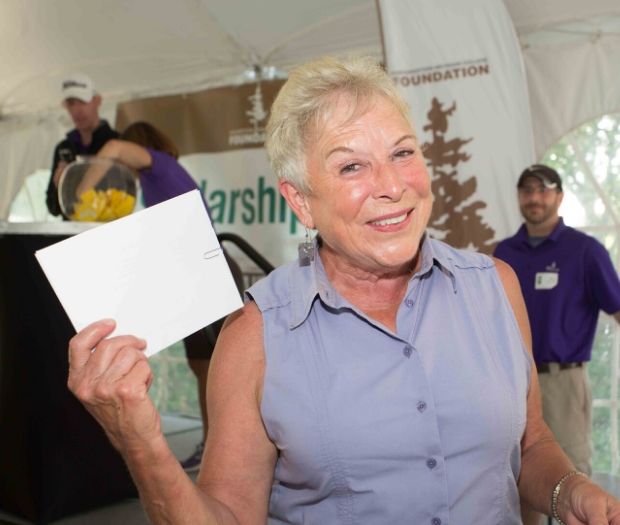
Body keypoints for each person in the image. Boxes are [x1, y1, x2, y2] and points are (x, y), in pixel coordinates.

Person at [66, 57, 620, 524]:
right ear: (301, 200)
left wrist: (565, 490)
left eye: (403, 153)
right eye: (352, 166)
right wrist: (142, 443)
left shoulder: (495, 287)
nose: (392, 185)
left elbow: (531, 443)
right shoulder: (256, 335)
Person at [91, 121, 245, 471]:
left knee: (219, 367)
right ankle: (214, 445)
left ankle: (223, 449)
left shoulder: (159, 164)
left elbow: (114, 149)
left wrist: (84, 181)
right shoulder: (152, 181)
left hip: (210, 271)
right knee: (203, 365)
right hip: (194, 276)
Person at [494, 164, 620, 523]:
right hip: (513, 383)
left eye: (543, 190)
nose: (534, 198)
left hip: (563, 381)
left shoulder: (585, 251)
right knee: (519, 480)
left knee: (574, 480)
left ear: (559, 197)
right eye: (527, 191)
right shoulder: (503, 252)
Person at [46, 73, 119, 218]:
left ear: (97, 101)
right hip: (73, 235)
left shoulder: (118, 144)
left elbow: (124, 197)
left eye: (82, 102)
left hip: (110, 231)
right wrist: (58, 185)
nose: (77, 110)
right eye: (71, 104)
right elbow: (53, 208)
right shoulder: (63, 148)